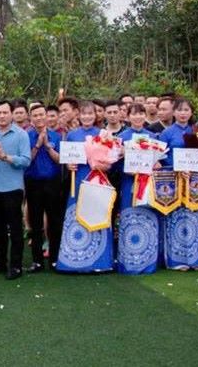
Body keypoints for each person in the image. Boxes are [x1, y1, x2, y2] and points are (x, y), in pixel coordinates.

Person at [56, 101, 114, 273]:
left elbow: (110, 159)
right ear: (78, 116)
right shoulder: (72, 135)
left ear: (96, 116)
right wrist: (69, 165)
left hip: (97, 179)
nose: (87, 117)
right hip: (78, 179)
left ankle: (100, 262)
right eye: (84, 114)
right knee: (77, 214)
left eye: (91, 114)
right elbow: (67, 158)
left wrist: (105, 165)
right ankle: (74, 260)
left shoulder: (103, 134)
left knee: (98, 214)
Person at [158, 98, 198, 271]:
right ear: (173, 112)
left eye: (186, 110)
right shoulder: (167, 133)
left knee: (195, 216)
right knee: (176, 217)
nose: (183, 113)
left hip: (195, 181)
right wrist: (175, 169)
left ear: (191, 112)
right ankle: (177, 259)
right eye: (179, 110)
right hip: (173, 180)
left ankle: (197, 258)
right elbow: (161, 156)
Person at [0, 100, 32, 280]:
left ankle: (16, 265)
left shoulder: (21, 135)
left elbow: (26, 160)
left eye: (5, 112)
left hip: (13, 189)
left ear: (12, 114)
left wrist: (6, 157)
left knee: (15, 229)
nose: (2, 116)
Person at [116, 104, 162, 274]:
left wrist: (157, 164)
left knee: (148, 217)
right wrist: (123, 161)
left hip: (148, 183)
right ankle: (128, 262)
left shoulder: (152, 136)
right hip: (129, 182)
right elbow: (114, 164)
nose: (137, 117)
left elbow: (159, 161)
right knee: (129, 218)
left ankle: (148, 261)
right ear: (127, 117)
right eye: (134, 114)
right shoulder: (122, 137)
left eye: (141, 114)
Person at [24, 103, 63, 272]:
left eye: (42, 115)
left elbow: (60, 160)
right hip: (33, 182)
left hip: (53, 182)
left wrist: (47, 145)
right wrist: (38, 144)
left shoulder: (57, 136)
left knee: (54, 221)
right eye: (35, 115)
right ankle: (37, 260)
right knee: (36, 221)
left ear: (47, 116)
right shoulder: (26, 136)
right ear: (30, 118)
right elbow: (27, 160)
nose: (39, 118)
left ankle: (54, 259)